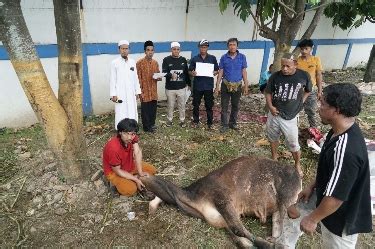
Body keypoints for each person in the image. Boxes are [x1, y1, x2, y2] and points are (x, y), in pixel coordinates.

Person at [299, 83, 372, 248]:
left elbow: (336, 197)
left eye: (323, 103)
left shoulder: (346, 149)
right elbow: (331, 171)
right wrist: (312, 184)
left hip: (341, 220)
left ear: (337, 110)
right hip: (333, 212)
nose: (319, 107)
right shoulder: (337, 131)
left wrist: (312, 219)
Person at [265, 53, 312, 177]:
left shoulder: (303, 75)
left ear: (295, 64)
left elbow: (308, 90)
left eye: (288, 66)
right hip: (275, 113)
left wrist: (301, 102)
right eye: (282, 66)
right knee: (273, 137)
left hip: (291, 116)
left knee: (293, 142)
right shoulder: (275, 76)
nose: (284, 69)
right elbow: (268, 92)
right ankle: (274, 158)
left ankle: (297, 164)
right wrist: (270, 106)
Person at [102, 118, 157, 196]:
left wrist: (140, 172)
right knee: (130, 190)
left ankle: (132, 176)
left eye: (132, 134)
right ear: (120, 132)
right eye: (126, 133)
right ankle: (110, 181)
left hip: (129, 164)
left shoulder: (132, 137)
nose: (129, 137)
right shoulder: (113, 148)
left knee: (152, 170)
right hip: (114, 172)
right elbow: (117, 171)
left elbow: (137, 152)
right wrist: (136, 179)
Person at [215, 38, 249, 133]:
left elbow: (244, 71)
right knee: (224, 106)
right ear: (228, 46)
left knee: (235, 106)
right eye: (230, 45)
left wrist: (246, 85)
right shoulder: (223, 57)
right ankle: (224, 125)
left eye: (234, 44)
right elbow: (221, 72)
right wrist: (217, 86)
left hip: (237, 85)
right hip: (225, 85)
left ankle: (233, 123)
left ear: (237, 46)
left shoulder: (242, 57)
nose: (232, 46)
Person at [110, 40, 141, 128]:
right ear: (119, 50)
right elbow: (112, 79)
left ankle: (132, 128)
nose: (124, 50)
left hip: (131, 92)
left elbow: (135, 77)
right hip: (120, 92)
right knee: (121, 111)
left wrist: (137, 91)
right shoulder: (114, 63)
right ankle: (121, 129)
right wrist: (113, 94)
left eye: (126, 48)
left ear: (129, 50)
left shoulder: (132, 62)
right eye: (122, 48)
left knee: (132, 110)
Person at [189, 39, 219, 129]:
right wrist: (192, 73)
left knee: (209, 105)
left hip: (208, 86)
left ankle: (209, 122)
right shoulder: (195, 59)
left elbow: (217, 70)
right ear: (199, 47)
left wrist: (215, 72)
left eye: (205, 47)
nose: (203, 48)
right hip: (198, 85)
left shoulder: (212, 58)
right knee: (196, 104)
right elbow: (190, 70)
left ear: (207, 48)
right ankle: (196, 120)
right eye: (202, 47)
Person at [162, 42, 191, 128]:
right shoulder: (166, 60)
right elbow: (164, 72)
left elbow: (186, 73)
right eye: (174, 49)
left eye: (178, 49)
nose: (176, 51)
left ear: (180, 50)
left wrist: (189, 84)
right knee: (170, 105)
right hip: (170, 88)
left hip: (181, 88)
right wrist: (171, 75)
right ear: (171, 50)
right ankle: (169, 120)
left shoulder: (183, 60)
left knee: (181, 105)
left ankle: (182, 120)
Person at [136, 40, 162, 133]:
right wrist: (139, 92)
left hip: (153, 91)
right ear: (145, 51)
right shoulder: (139, 63)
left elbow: (158, 75)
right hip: (145, 91)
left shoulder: (155, 63)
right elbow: (137, 78)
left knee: (153, 109)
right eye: (148, 50)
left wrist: (159, 77)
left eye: (152, 50)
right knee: (145, 111)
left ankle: (152, 124)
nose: (150, 52)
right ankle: (146, 127)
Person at [297, 39, 323, 128]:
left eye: (306, 49)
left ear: (311, 48)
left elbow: (318, 75)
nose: (303, 51)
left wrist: (320, 91)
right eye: (302, 49)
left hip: (311, 90)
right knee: (295, 109)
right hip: (298, 90)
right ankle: (294, 129)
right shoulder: (296, 61)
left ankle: (314, 129)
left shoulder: (316, 60)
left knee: (311, 111)